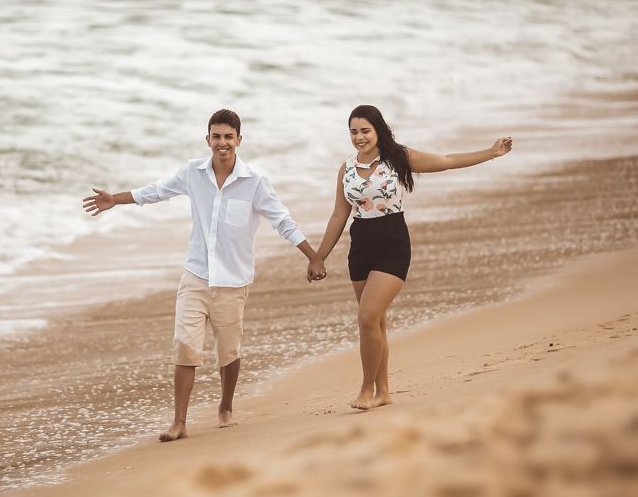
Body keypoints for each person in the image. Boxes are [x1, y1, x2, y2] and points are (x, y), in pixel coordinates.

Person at [83, 109, 326, 441]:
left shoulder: (255, 182)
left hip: (233, 282)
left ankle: (225, 406)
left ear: (239, 140)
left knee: (228, 352)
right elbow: (157, 191)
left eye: (228, 137)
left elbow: (282, 221)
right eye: (216, 136)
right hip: (195, 276)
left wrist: (313, 257)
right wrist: (116, 199)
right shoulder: (193, 173)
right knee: (185, 346)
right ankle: (179, 422)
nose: (222, 143)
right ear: (208, 139)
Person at [313, 105, 513, 410]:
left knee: (367, 318)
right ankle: (383, 392)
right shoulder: (347, 168)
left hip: (393, 247)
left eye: (365, 130)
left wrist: (491, 152)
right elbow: (339, 215)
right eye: (353, 132)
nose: (359, 137)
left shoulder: (398, 157)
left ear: (378, 130)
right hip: (360, 250)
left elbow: (447, 161)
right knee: (376, 323)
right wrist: (319, 257)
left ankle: (366, 390)